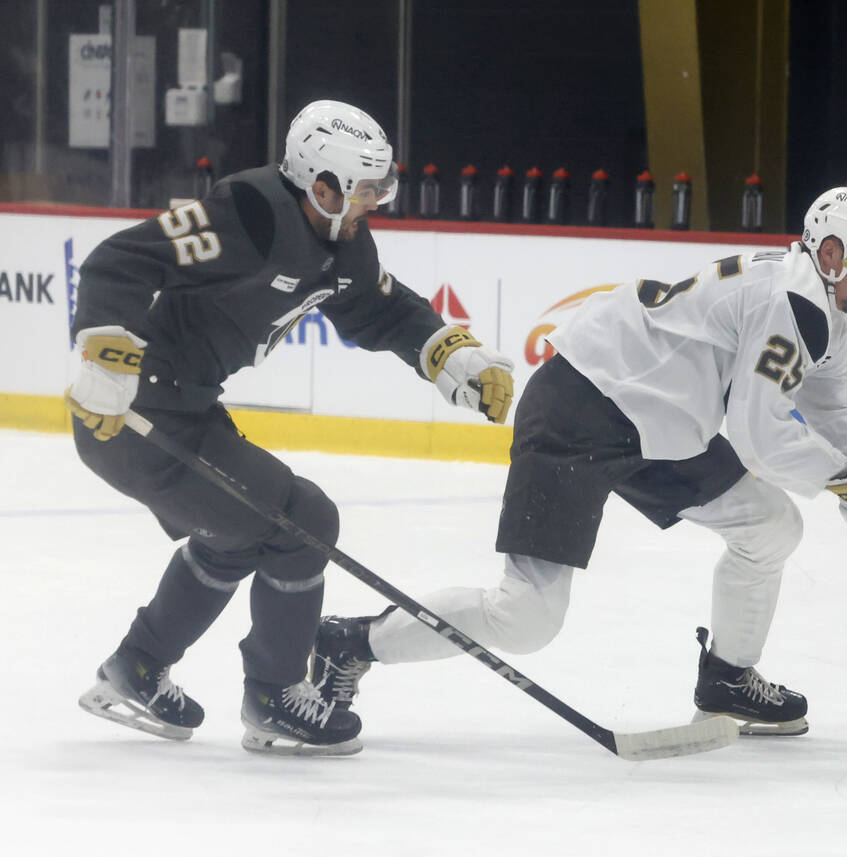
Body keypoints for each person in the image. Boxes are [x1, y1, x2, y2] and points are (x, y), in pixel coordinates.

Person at [313, 186, 847, 737]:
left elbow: (845, 414)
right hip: (582, 407)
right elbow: (762, 437)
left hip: (659, 427)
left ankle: (727, 678)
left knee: (769, 525)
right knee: (527, 618)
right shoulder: (794, 300)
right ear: (835, 251)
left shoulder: (820, 310)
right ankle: (351, 642)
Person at [68, 100, 515, 756]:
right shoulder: (249, 214)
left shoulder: (344, 243)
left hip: (184, 409)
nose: (373, 203)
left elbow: (383, 311)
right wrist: (106, 354)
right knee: (303, 521)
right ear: (321, 186)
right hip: (133, 417)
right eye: (364, 190)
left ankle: (136, 667)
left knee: (237, 534)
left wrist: (454, 356)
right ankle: (275, 696)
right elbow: (120, 262)